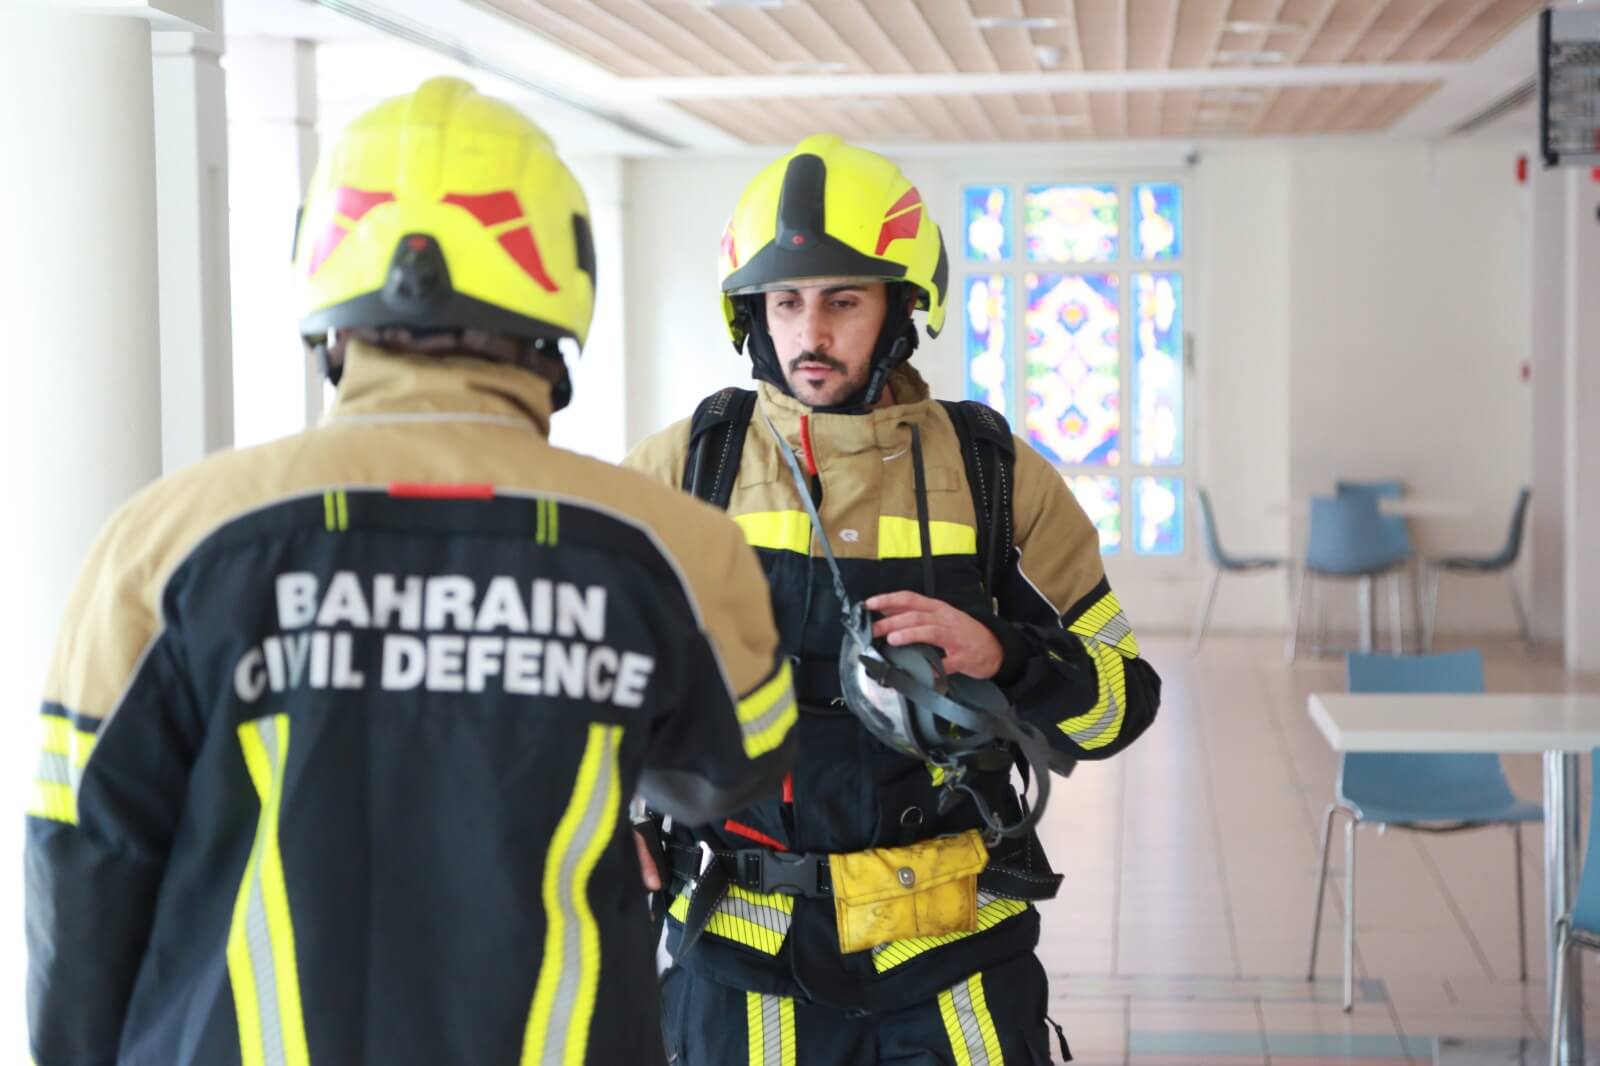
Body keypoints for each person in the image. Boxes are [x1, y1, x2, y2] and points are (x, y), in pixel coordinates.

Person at [24, 77, 794, 1066]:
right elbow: (727, 771)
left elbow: (83, 856)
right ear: (562, 275)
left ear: (324, 278)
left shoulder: (166, 542)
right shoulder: (671, 547)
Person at [625, 135, 1161, 1064]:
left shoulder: (993, 475)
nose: (810, 333)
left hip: (954, 961)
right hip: (744, 961)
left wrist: (1005, 658)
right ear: (753, 315)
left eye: (843, 300)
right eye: (786, 302)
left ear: (902, 308)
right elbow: (574, 680)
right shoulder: (687, 469)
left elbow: (1120, 704)